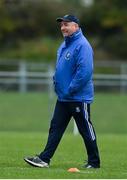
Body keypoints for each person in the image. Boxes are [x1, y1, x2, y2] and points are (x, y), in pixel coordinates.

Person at [24, 14, 100, 169]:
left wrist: (71, 88)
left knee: (85, 129)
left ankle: (94, 162)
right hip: (64, 97)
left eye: (67, 24)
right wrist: (57, 82)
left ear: (76, 27)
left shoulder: (82, 45)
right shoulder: (65, 44)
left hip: (77, 97)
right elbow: (61, 68)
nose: (63, 28)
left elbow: (85, 72)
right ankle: (44, 159)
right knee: (55, 128)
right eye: (62, 25)